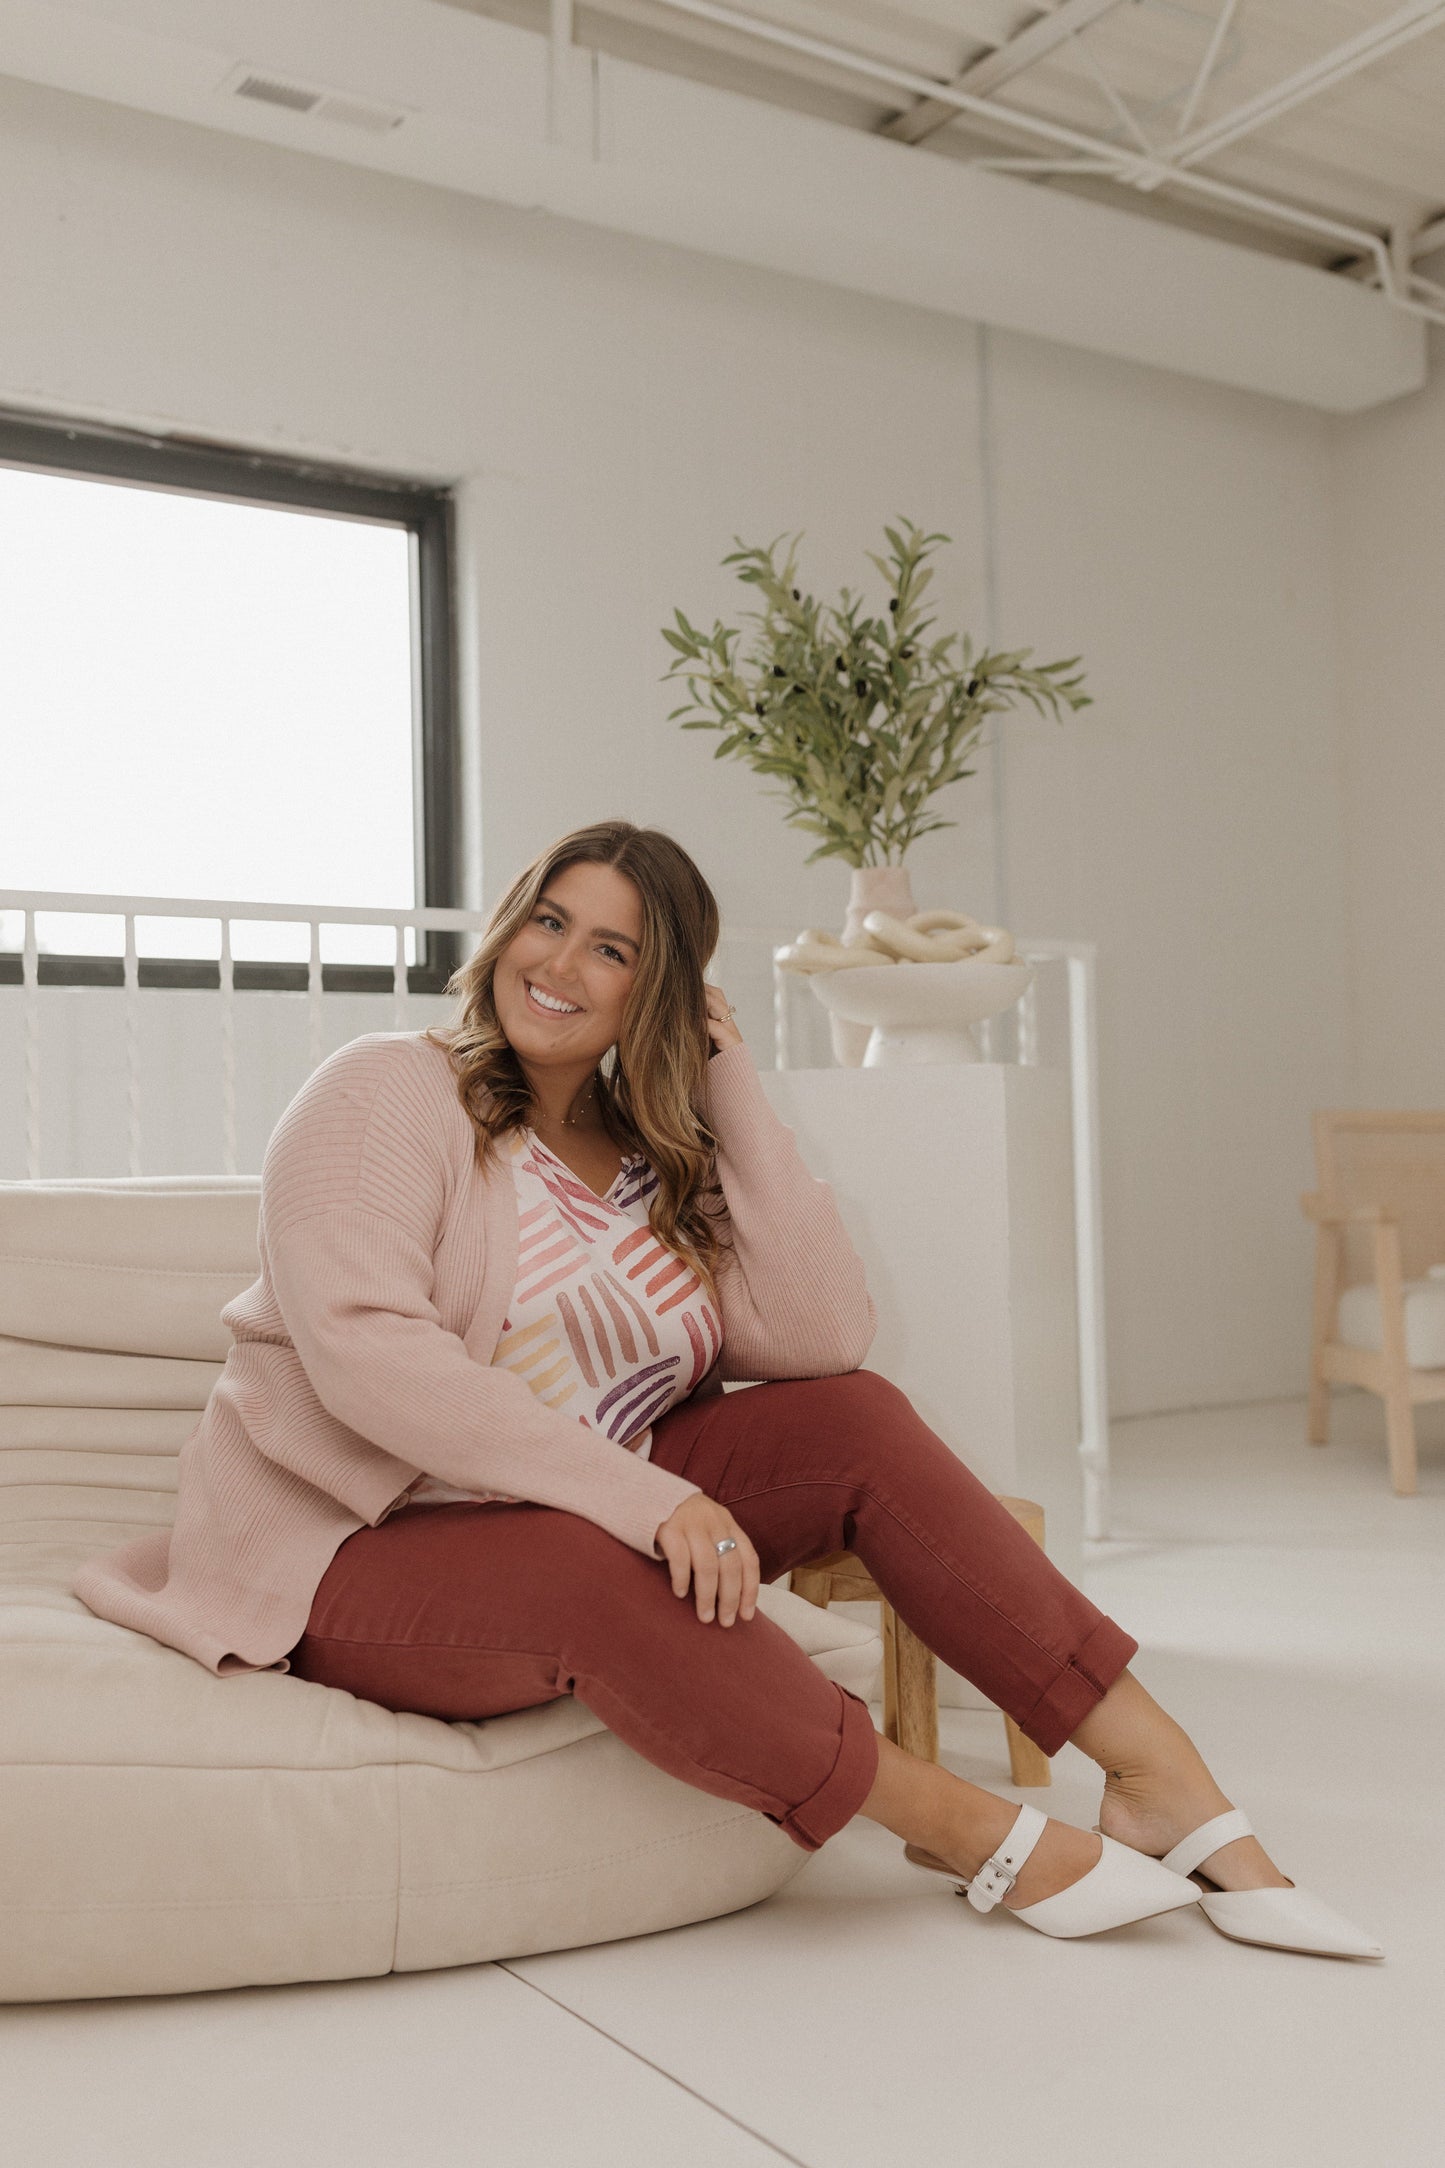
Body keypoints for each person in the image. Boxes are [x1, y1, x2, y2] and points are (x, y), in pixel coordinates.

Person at [72, 819, 1380, 1958]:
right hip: (362, 1554)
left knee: (855, 1422)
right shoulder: (386, 1091)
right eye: (549, 920)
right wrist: (646, 1503)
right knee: (591, 1570)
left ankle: (1166, 1784)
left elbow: (820, 1336)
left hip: (589, 1511)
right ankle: (976, 1836)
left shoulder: (654, 1158)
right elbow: (369, 1357)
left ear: (661, 992)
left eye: (613, 950)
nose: (560, 964)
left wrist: (727, 1083)